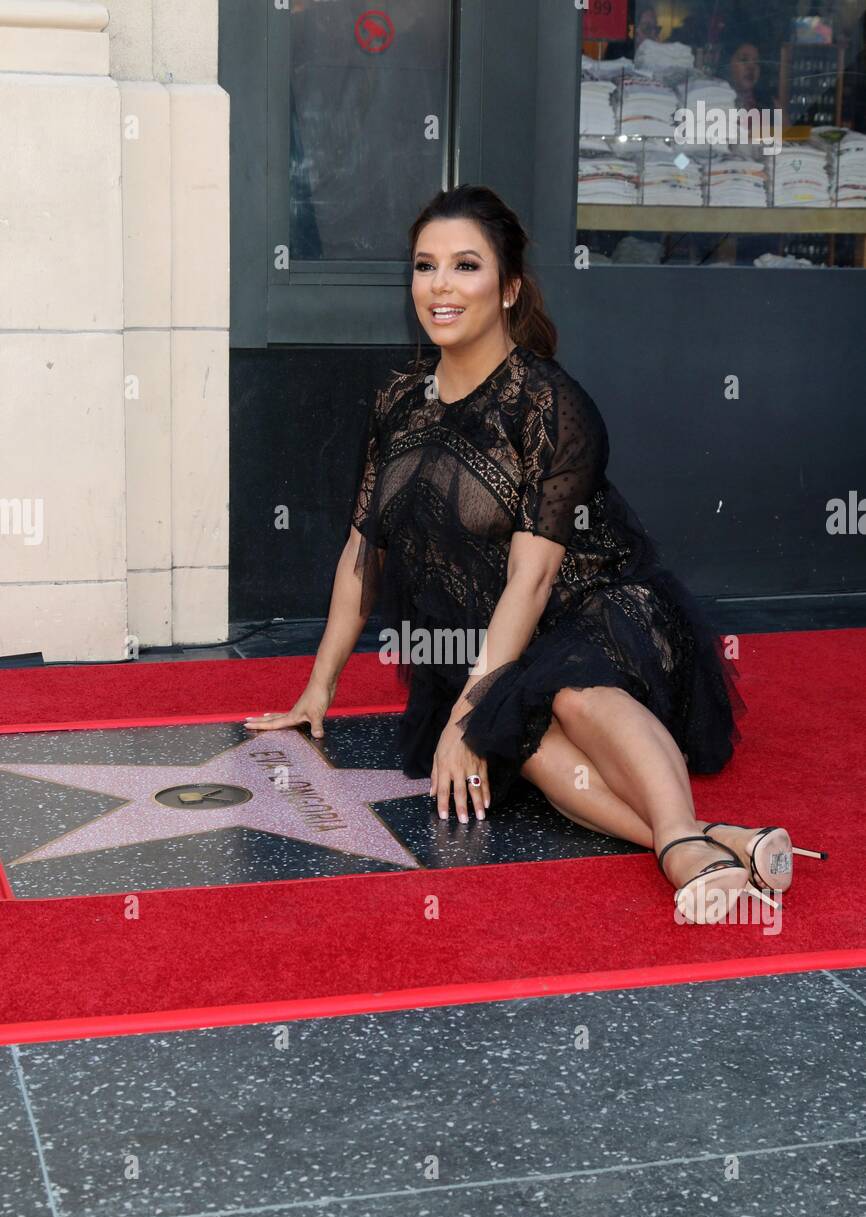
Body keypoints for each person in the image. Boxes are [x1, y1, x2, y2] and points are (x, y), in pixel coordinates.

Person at [245, 185, 824, 924]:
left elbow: (537, 574)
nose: (441, 286)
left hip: (599, 616)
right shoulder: (397, 400)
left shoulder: (550, 404)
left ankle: (680, 839)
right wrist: (317, 690)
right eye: (425, 267)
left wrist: (469, 712)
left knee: (563, 694)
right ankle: (714, 844)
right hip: (490, 645)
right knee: (529, 738)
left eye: (465, 266)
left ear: (510, 286)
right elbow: (364, 549)